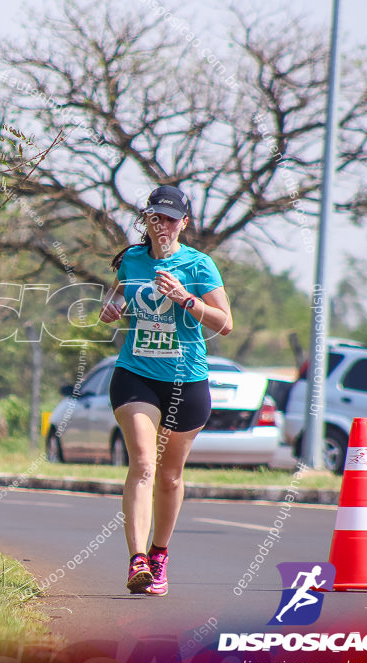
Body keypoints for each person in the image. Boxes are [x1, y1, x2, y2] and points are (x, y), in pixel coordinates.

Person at [99, 185, 233, 596]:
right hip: (135, 374)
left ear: (184, 224)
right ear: (147, 221)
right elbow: (120, 295)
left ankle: (159, 553)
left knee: (170, 477)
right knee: (143, 463)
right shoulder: (132, 260)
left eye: (171, 218)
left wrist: (185, 298)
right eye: (156, 217)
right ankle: (136, 559)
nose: (163, 225)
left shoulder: (199, 264)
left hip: (185, 380)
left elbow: (225, 323)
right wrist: (112, 308)